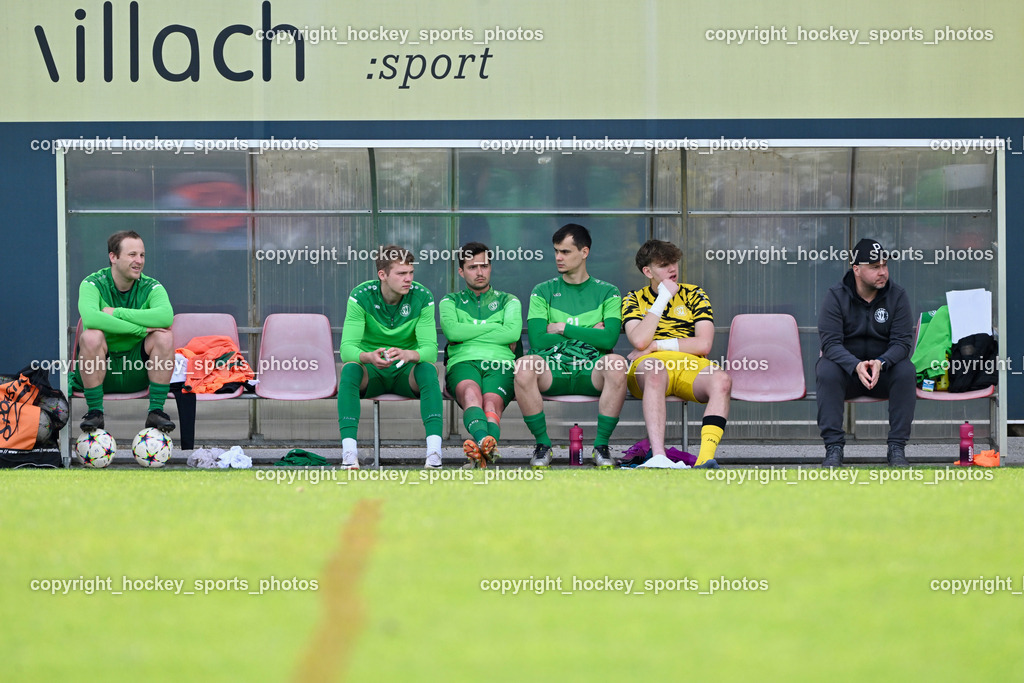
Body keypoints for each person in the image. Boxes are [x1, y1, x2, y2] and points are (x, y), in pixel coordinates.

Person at [514, 223, 628, 469]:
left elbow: (609, 340)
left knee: (617, 363)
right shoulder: (542, 291)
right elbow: (538, 340)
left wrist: (563, 328)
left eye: (565, 252)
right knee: (524, 366)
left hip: (591, 372)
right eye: (556, 251)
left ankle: (601, 447)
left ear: (584, 252)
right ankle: (543, 445)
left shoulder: (608, 291)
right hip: (553, 371)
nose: (558, 257)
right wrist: (590, 334)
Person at [622, 240, 731, 469]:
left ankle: (705, 460)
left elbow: (703, 344)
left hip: (688, 366)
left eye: (674, 262)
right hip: (648, 367)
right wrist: (662, 298)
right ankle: (659, 456)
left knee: (722, 379)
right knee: (654, 370)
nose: (672, 269)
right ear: (647, 271)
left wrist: (658, 345)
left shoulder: (695, 294)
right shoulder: (633, 298)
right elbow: (640, 341)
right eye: (664, 265)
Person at [338, 245, 444, 469]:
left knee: (427, 369)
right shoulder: (360, 296)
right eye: (401, 273)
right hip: (372, 371)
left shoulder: (423, 296)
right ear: (382, 275)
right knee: (349, 369)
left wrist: (408, 354)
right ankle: (349, 454)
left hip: (406, 372)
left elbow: (431, 351)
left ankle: (434, 453)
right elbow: (347, 349)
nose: (408, 279)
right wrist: (368, 356)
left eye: (411, 273)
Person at [817, 238, 915, 467]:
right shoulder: (835, 296)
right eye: (874, 267)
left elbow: (902, 342)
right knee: (826, 369)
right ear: (857, 269)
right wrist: (854, 365)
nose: (882, 272)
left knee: (906, 370)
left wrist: (882, 361)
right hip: (848, 374)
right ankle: (833, 448)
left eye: (884, 265)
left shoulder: (897, 296)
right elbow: (830, 343)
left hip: (883, 372)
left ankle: (897, 448)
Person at [73, 230, 175, 433]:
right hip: (102, 370)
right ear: (113, 257)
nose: (139, 261)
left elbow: (166, 317)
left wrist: (116, 313)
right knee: (91, 335)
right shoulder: (92, 283)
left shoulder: (152, 286)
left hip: (137, 370)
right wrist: (141, 329)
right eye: (132, 254)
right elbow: (91, 319)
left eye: (142, 255)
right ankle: (95, 412)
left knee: (165, 337)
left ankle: (156, 411)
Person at [439, 242, 522, 468]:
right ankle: (488, 447)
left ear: (491, 267)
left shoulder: (509, 300)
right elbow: (453, 331)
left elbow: (513, 332)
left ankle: (481, 447)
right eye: (473, 267)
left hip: (501, 363)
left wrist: (469, 335)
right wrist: (496, 329)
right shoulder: (450, 301)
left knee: (491, 404)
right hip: (463, 362)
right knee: (470, 395)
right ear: (461, 271)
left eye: (484, 266)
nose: (479, 272)